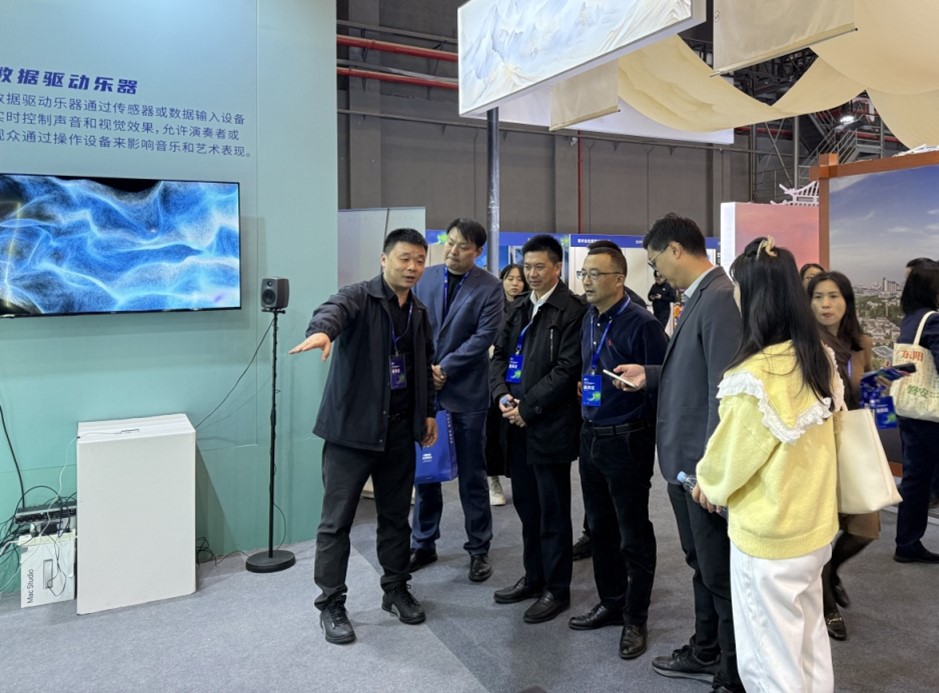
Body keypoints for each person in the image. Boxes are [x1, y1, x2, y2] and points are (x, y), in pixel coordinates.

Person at [693, 236, 840, 692]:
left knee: (768, 660)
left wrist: (707, 484)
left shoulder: (754, 376)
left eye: (739, 288)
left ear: (754, 297)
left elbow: (729, 460)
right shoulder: (817, 357)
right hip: (814, 524)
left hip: (770, 535)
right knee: (808, 642)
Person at [612, 213, 744, 692]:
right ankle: (706, 648)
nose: (657, 273)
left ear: (674, 250)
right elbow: (692, 369)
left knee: (717, 570)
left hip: (700, 467)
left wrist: (712, 469)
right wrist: (651, 373)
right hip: (685, 463)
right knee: (700, 563)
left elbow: (724, 393)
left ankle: (732, 670)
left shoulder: (721, 298)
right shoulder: (700, 297)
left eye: (655, 262)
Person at [290, 227, 438, 645]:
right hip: (351, 433)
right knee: (336, 522)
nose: (412, 267)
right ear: (384, 259)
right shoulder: (358, 296)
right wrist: (322, 331)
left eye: (419, 260)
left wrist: (428, 413)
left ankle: (395, 588)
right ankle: (331, 603)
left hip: (398, 433)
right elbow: (332, 311)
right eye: (404, 258)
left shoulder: (418, 311)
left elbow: (425, 364)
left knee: (395, 518)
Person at [570, 245, 667, 660]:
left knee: (632, 532)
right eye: (584, 274)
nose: (587, 281)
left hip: (627, 438)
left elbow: (664, 382)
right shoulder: (589, 317)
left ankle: (635, 616)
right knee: (599, 527)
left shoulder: (642, 323)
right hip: (591, 434)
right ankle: (611, 602)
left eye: (596, 274)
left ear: (619, 280)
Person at [490, 234, 587, 623]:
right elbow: (499, 356)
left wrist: (527, 408)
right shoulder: (519, 307)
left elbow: (567, 369)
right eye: (526, 267)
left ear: (557, 268)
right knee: (528, 508)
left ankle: (556, 589)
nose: (531, 274)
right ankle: (533, 577)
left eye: (539, 267)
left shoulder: (571, 310)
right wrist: (502, 396)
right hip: (515, 425)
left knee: (552, 511)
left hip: (550, 426)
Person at [408, 218, 504, 583]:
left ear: (477, 252)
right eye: (449, 242)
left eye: (463, 246)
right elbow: (411, 326)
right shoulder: (426, 277)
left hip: (466, 393)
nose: (453, 251)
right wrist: (425, 370)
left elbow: (485, 336)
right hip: (426, 392)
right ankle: (423, 542)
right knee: (426, 471)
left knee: (472, 475)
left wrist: (445, 368)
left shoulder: (489, 287)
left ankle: (478, 548)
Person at [807, 271, 880, 640]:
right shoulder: (804, 344)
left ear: (847, 301)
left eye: (833, 296)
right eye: (818, 297)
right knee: (822, 530)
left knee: (866, 526)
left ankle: (832, 571)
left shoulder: (861, 343)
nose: (826, 304)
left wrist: (879, 386)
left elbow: (865, 392)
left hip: (854, 444)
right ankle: (826, 605)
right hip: (818, 447)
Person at [893, 260, 939, 564]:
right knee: (919, 481)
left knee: (915, 479)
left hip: (910, 408)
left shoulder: (910, 320)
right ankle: (908, 544)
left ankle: (907, 543)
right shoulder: (933, 321)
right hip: (931, 415)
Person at [485, 263, 528, 506]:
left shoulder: (530, 307)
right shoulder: (492, 307)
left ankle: (517, 477)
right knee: (491, 429)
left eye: (519, 279)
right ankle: (493, 480)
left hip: (520, 376)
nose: (515, 283)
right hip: (494, 375)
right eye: (510, 278)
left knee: (514, 428)